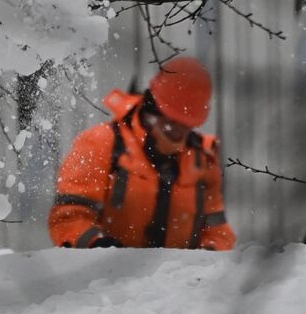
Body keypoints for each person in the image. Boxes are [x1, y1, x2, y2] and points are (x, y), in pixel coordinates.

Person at [49, 55, 237, 251]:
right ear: (154, 108)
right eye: (172, 122)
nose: (179, 132)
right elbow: (68, 217)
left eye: (186, 125)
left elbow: (217, 231)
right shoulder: (100, 143)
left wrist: (210, 253)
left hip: (177, 279)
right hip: (105, 278)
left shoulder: (203, 159)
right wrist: (96, 245)